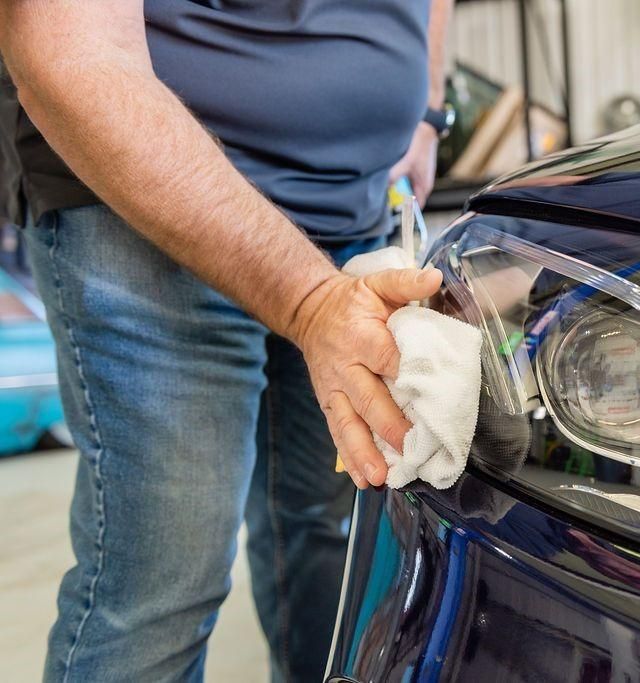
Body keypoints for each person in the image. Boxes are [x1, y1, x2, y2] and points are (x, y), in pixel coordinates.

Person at [0, 1, 454, 680]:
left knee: (333, 550)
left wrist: (426, 105)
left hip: (348, 213)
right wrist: (308, 301)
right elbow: (67, 48)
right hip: (151, 210)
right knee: (164, 587)